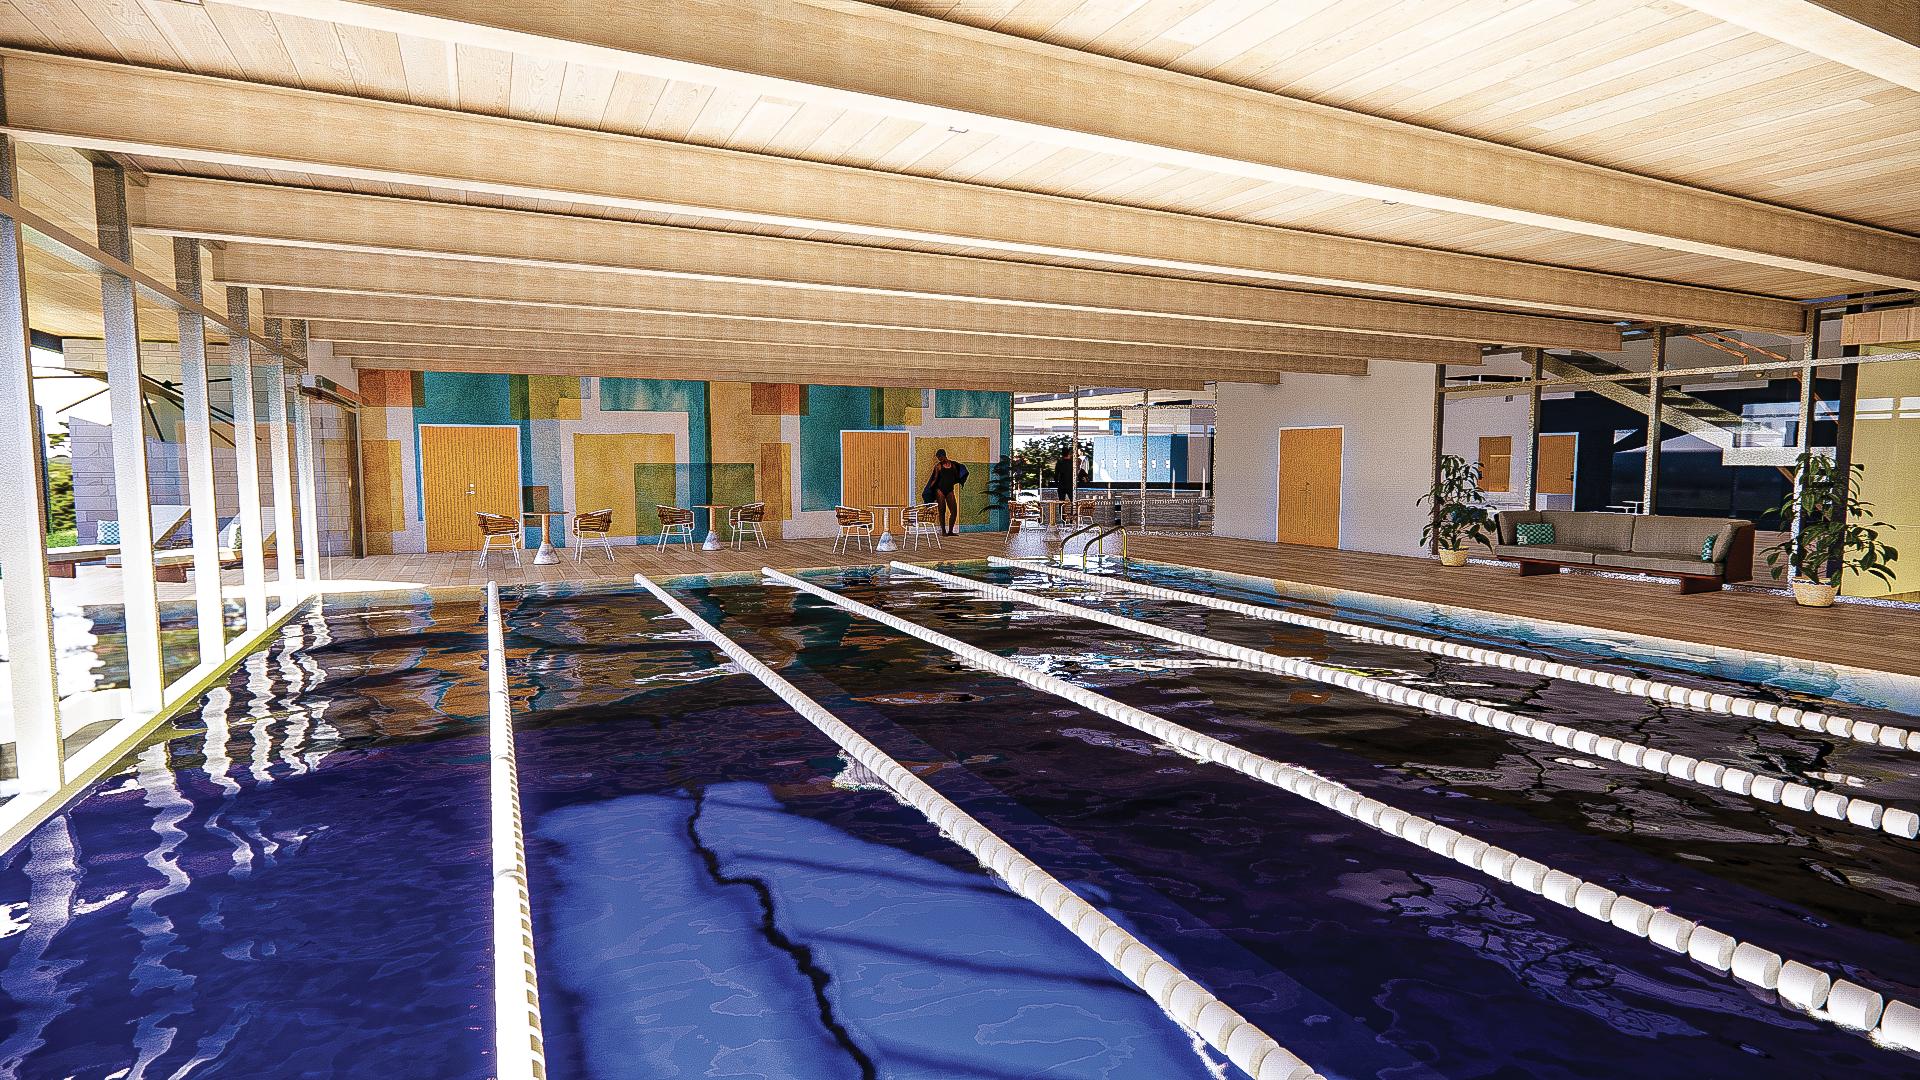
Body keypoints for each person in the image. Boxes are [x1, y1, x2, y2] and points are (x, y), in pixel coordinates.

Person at [923, 449, 968, 536]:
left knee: (954, 511)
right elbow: (934, 479)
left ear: (944, 455)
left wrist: (960, 479)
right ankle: (943, 531)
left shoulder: (953, 465)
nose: (939, 459)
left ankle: (950, 531)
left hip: (949, 489)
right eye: (938, 458)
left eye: (940, 457)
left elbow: (957, 475)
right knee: (942, 510)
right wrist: (929, 489)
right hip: (939, 490)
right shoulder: (938, 466)